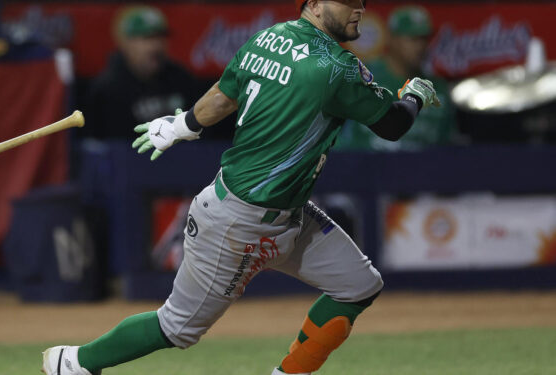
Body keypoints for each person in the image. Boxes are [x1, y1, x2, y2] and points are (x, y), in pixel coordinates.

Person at [43, 0, 440, 374]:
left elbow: (223, 95)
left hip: (288, 213)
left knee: (358, 285)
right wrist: (415, 96)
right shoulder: (336, 67)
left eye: (361, 2)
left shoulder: (268, 37)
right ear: (314, 4)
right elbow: (393, 125)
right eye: (346, 2)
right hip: (239, 223)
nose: (358, 10)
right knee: (176, 328)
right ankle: (74, 362)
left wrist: (182, 125)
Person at [336, 5, 454, 151]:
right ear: (392, 39)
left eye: (424, 39)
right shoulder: (361, 77)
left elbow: (448, 149)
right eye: (412, 39)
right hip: (362, 168)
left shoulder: (438, 89)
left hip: (422, 171)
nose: (420, 46)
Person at [83, 6, 201, 140]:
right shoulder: (107, 88)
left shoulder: (182, 80)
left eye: (160, 37)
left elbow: (203, 135)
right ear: (127, 43)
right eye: (147, 38)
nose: (156, 46)